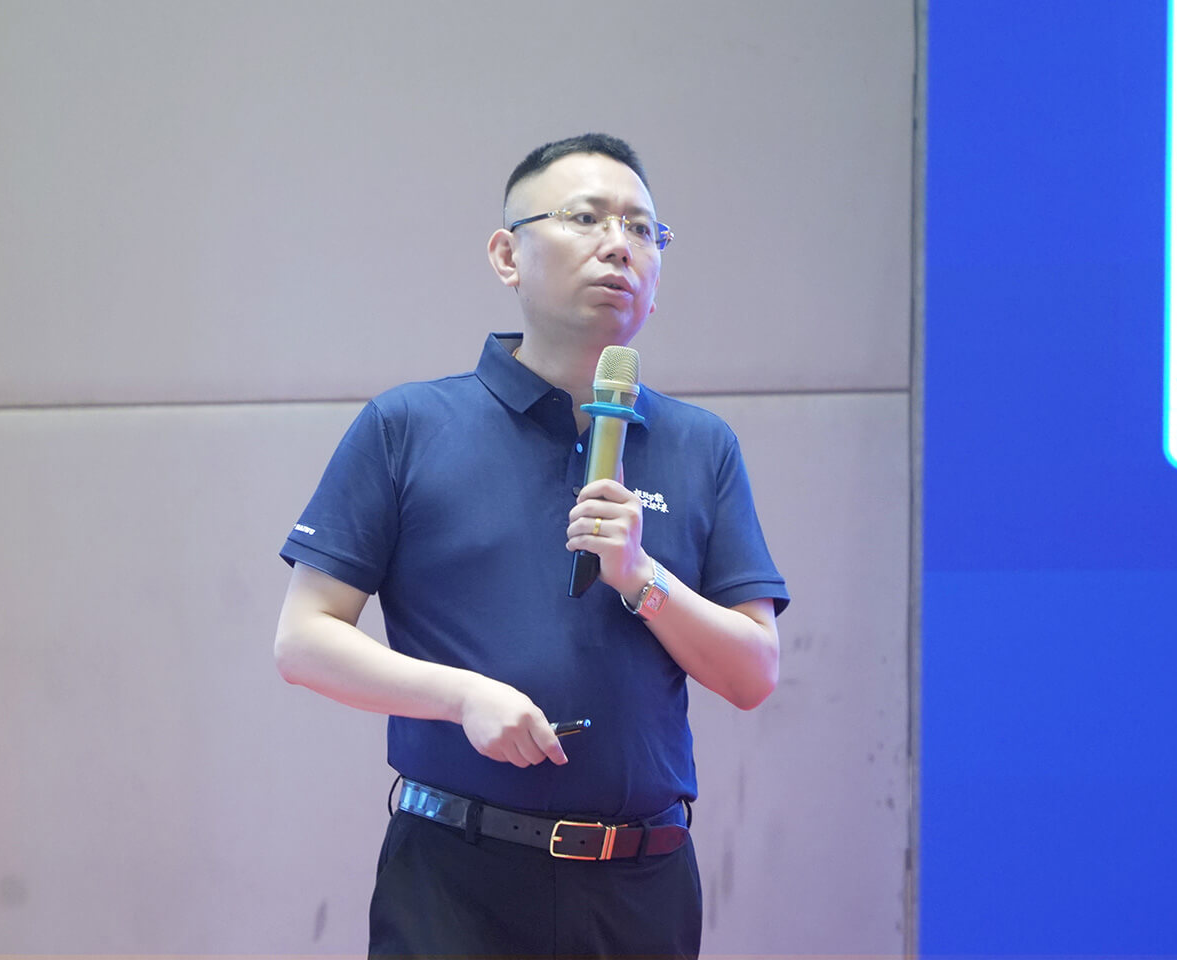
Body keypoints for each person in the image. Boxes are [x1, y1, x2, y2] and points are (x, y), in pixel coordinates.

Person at [274, 133, 790, 959]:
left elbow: (754, 673)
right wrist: (462, 698)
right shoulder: (409, 426)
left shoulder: (702, 445)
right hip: (457, 879)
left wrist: (642, 577)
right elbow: (304, 642)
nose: (618, 245)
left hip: (643, 885)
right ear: (507, 256)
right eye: (586, 218)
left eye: (642, 229)